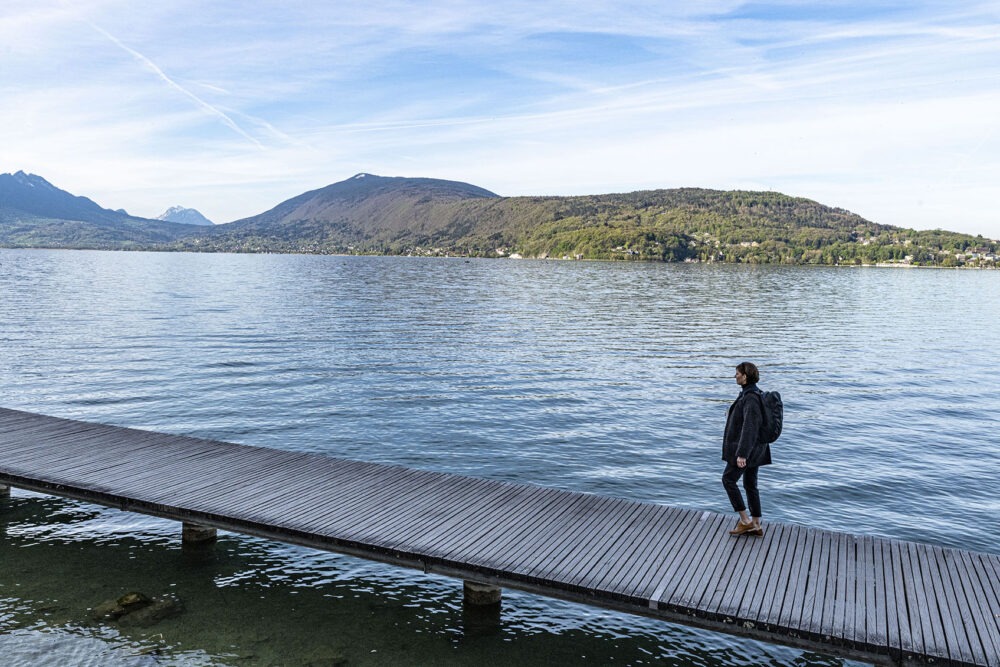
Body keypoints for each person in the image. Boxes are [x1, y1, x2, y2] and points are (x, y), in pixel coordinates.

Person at [722, 361, 771, 536]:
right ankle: (756, 525)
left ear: (746, 376)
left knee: (728, 480)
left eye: (737, 373)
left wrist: (742, 454)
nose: (735, 376)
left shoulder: (750, 397)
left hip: (747, 451)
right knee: (750, 484)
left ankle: (745, 521)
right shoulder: (752, 393)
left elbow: (750, 427)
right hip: (756, 450)